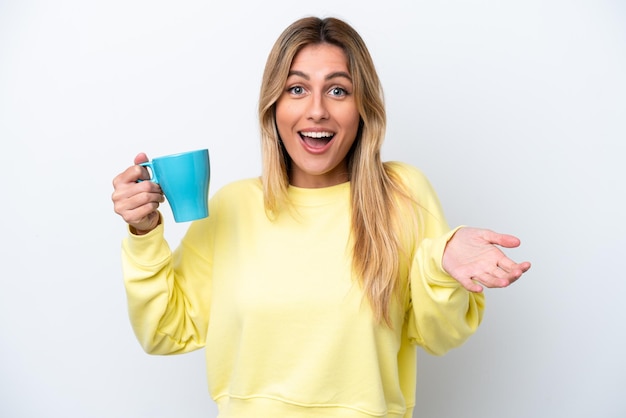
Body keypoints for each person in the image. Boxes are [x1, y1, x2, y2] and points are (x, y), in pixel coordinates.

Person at [112, 16, 531, 418]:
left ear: (363, 107)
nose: (316, 111)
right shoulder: (231, 206)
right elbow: (164, 331)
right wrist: (144, 233)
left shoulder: (403, 194)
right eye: (296, 89)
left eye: (337, 91)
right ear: (273, 106)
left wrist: (440, 264)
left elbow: (442, 335)